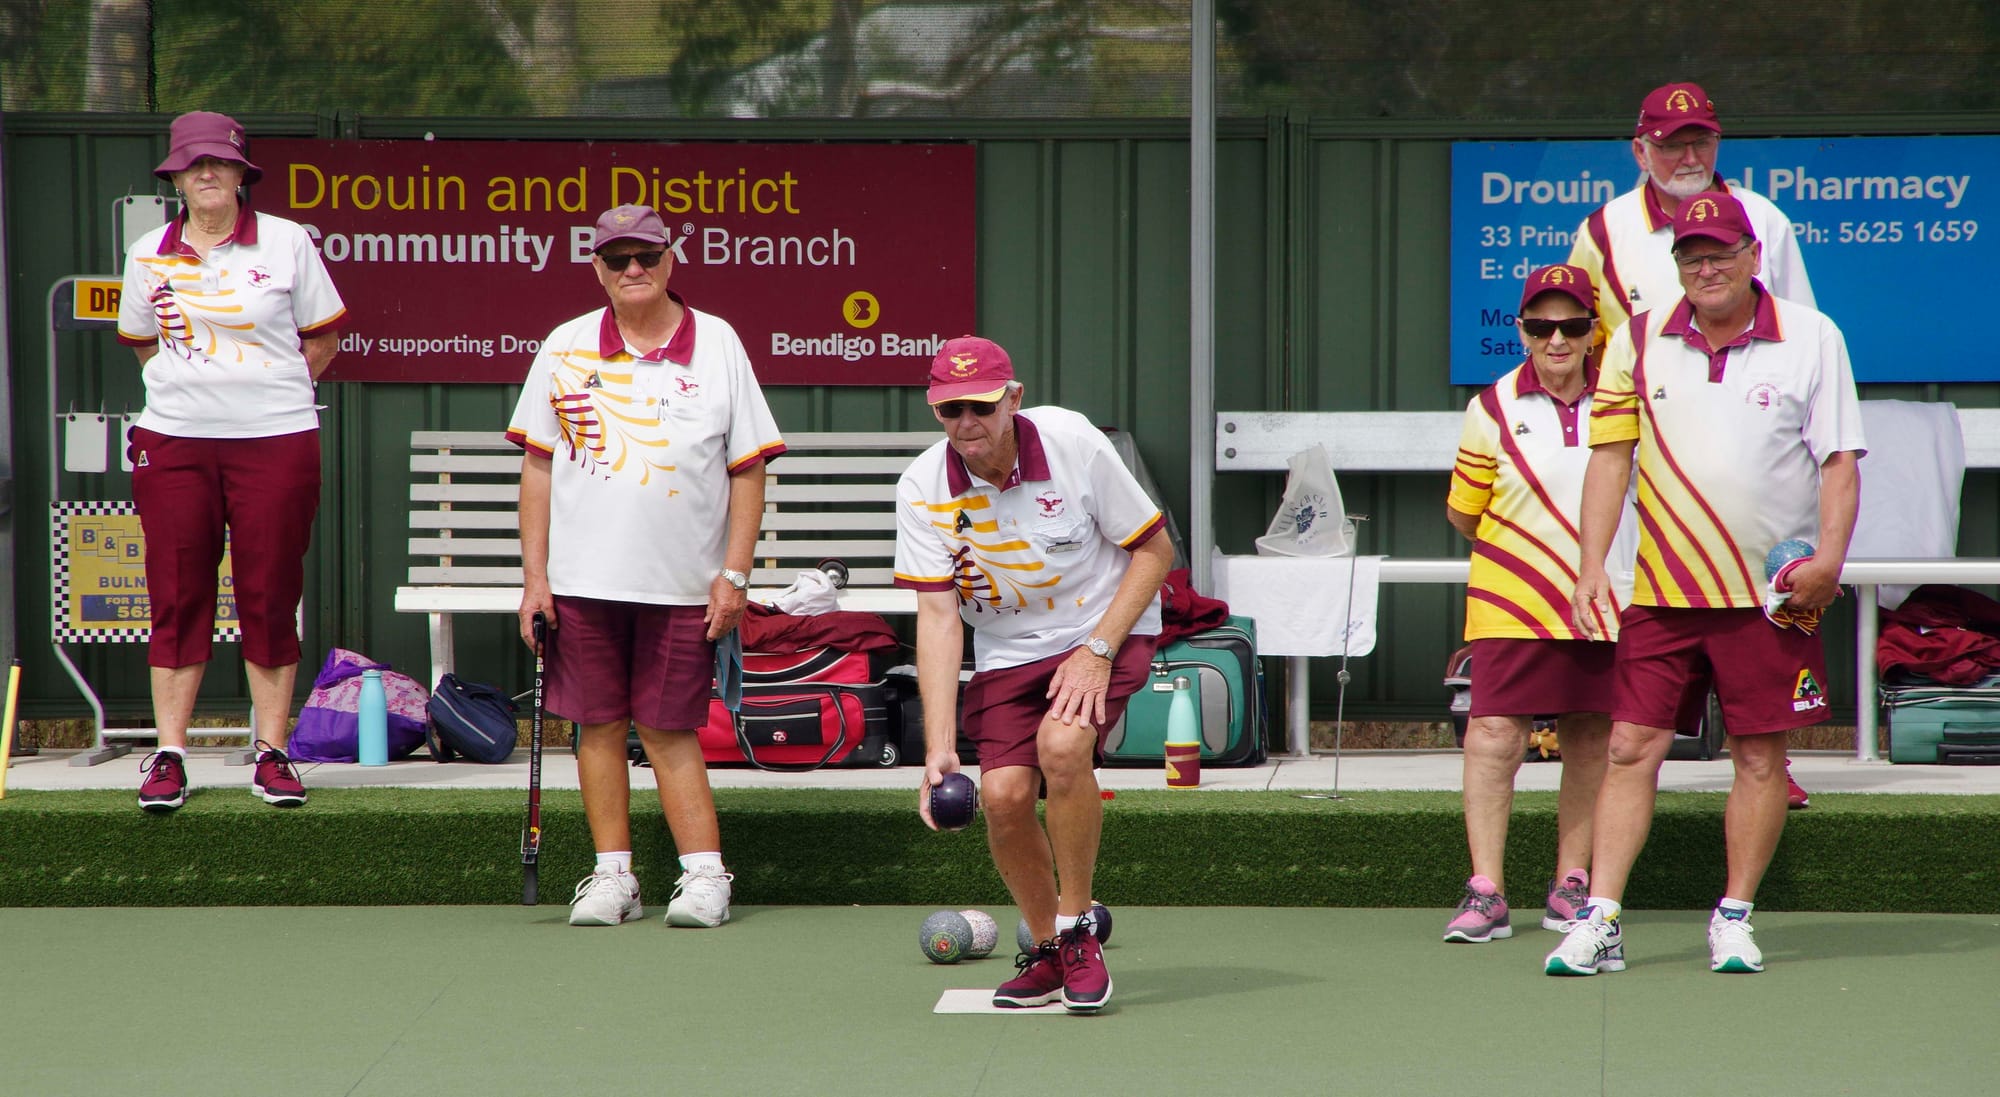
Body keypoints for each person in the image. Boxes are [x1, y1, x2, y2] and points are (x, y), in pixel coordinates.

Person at [1548, 193, 1863, 976]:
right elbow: (1610, 459)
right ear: (1676, 266)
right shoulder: (1637, 339)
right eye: (1692, 256)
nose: (1707, 267)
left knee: (1759, 756)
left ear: (1754, 256)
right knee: (1629, 747)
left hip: (1770, 596)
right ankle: (1604, 918)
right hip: (1662, 589)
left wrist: (1828, 559)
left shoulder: (1813, 337)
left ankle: (1733, 916)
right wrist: (1592, 563)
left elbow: (1840, 462)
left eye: (1721, 252)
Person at [508, 203, 784, 929]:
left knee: (667, 729)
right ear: (597, 268)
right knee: (594, 726)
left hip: (682, 586)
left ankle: (703, 876)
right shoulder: (565, 346)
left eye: (647, 257)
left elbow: (748, 471)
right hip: (578, 583)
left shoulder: (718, 343)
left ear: (671, 260)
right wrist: (535, 579)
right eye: (618, 258)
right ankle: (613, 877)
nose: (634, 270)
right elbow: (537, 469)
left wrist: (736, 575)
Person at [897, 337, 1172, 1013]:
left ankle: (1078, 931)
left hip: (1105, 627)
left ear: (1013, 397)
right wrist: (937, 750)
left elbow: (1155, 550)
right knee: (1006, 796)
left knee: (1062, 746)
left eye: (982, 406)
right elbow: (937, 616)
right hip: (1007, 652)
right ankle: (1047, 951)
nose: (968, 423)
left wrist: (1098, 650)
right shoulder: (922, 487)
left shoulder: (1073, 442)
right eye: (950, 409)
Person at [1568, 81, 1817, 812]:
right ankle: (1633, 761)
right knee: (1654, 620)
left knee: (1765, 612)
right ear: (1638, 147)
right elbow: (1581, 340)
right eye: (1671, 141)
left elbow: (1801, 333)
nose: (1687, 154)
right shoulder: (1605, 230)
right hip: (1653, 467)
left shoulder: (1764, 220)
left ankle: (1777, 757)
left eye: (1700, 139)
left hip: (1756, 462)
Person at [116, 111, 346, 814]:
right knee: (178, 592)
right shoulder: (147, 252)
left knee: (270, 592)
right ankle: (170, 754)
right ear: (175, 177)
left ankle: (272, 753)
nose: (207, 174)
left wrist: (268, 396)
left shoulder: (286, 242)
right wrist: (197, 396)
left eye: (219, 162)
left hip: (276, 439)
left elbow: (324, 337)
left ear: (244, 172)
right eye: (192, 165)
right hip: (177, 441)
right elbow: (141, 343)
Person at [1442, 264, 1632, 944]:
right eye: (1544, 325)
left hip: (1607, 596)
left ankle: (1571, 881)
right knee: (1493, 733)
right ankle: (1487, 888)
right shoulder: (1489, 406)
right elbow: (1464, 512)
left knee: (1591, 735)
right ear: (1521, 331)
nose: (1558, 339)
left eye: (1574, 324)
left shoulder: (1624, 400)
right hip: (1510, 598)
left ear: (1593, 331)